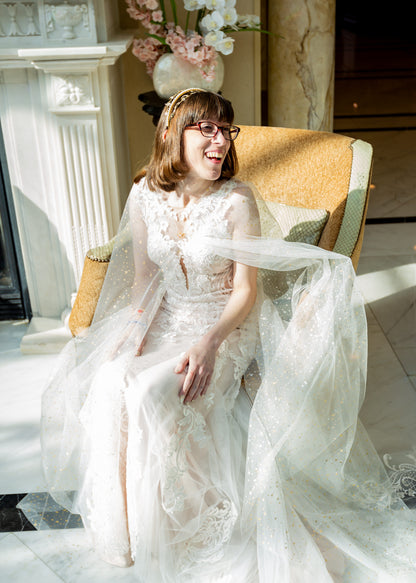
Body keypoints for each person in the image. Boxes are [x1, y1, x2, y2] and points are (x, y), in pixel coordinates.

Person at [25, 89, 416, 582]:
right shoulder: (144, 193)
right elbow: (146, 283)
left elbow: (245, 292)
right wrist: (129, 337)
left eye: (225, 130)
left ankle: (192, 525)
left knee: (150, 393)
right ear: (172, 134)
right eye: (205, 128)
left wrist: (209, 344)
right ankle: (128, 533)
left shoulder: (236, 200)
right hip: (166, 319)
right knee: (109, 381)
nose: (220, 141)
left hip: (225, 327)